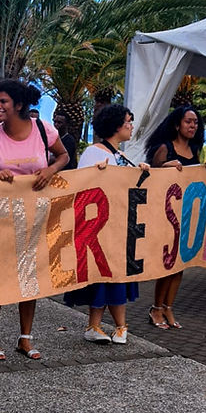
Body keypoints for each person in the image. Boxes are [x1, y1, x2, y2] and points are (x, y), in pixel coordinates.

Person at [0, 79, 69, 360]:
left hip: (35, 216)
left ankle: (25, 338)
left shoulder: (42, 130)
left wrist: (50, 170)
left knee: (29, 278)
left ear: (18, 105)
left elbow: (63, 155)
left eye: (2, 101)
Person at [64, 104, 149, 343]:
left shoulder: (119, 155)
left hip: (118, 227)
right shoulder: (95, 152)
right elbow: (83, 186)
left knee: (114, 276)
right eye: (128, 122)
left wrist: (141, 173)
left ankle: (109, 326)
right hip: (101, 228)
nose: (131, 126)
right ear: (116, 126)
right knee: (105, 276)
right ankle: (104, 325)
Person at [145, 105, 206, 330]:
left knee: (180, 264)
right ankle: (156, 307)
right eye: (188, 121)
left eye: (195, 122)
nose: (192, 126)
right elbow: (149, 177)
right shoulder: (165, 148)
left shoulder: (195, 149)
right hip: (166, 215)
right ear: (177, 124)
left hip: (187, 215)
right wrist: (166, 166)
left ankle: (168, 306)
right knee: (167, 263)